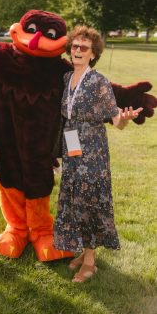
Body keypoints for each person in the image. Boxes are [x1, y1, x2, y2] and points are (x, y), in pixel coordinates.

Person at [53, 25, 143, 283]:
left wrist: (124, 119)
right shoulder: (66, 78)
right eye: (74, 46)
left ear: (93, 54)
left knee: (91, 200)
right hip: (71, 149)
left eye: (84, 48)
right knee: (75, 199)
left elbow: (115, 120)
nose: (77, 51)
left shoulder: (99, 81)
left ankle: (90, 262)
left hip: (93, 151)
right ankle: (83, 252)